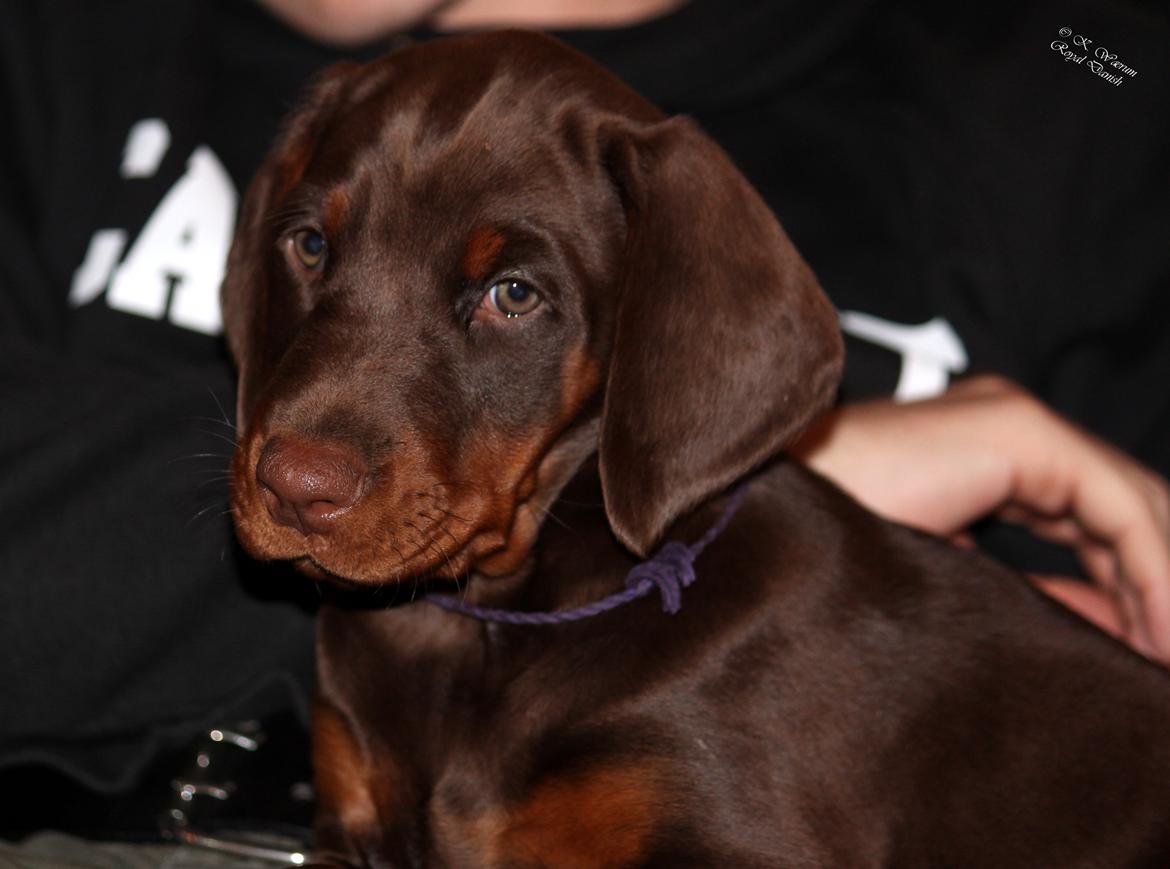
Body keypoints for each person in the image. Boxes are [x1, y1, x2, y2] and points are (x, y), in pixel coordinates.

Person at [2, 0, 1167, 851]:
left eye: (513, 293)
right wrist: (843, 470)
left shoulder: (1080, 72)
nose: (299, 456)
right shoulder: (72, 42)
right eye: (316, 245)